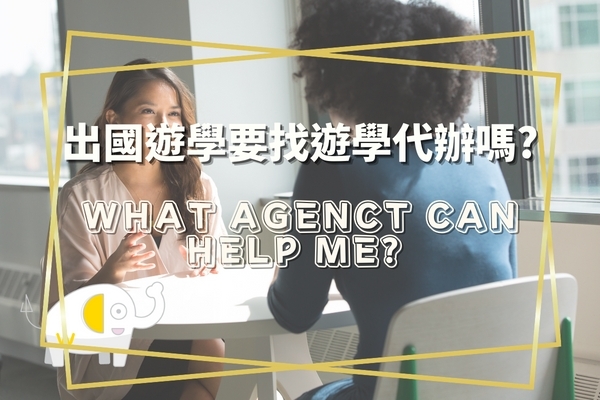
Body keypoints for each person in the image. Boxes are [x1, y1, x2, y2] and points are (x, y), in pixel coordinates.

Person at [267, 1, 517, 399]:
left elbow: (294, 314)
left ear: (343, 84)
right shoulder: (484, 163)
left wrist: (285, 270)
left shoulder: (334, 166)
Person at [47, 59, 226, 400]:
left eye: (173, 114)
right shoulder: (82, 195)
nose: (164, 125)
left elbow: (221, 272)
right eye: (148, 111)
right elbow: (65, 312)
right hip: (116, 349)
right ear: (114, 119)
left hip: (194, 334)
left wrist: (211, 270)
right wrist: (110, 273)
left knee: (219, 353)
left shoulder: (200, 186)